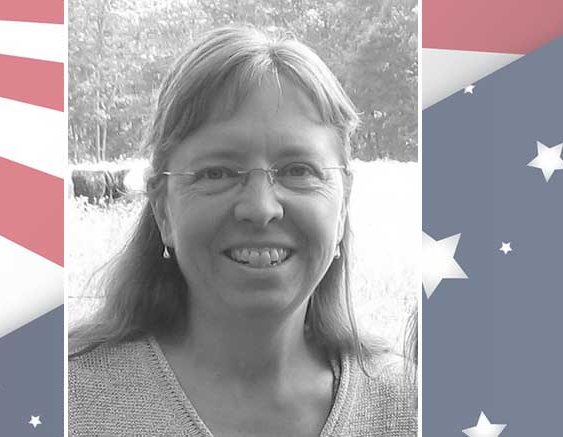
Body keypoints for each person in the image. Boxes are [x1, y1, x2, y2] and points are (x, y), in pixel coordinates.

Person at [69, 25, 416, 436]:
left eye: (298, 170)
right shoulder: (68, 403)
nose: (260, 208)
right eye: (217, 172)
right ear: (162, 207)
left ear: (343, 203)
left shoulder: (410, 405)